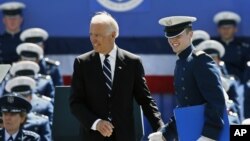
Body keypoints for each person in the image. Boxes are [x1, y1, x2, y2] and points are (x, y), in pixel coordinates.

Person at [69, 11, 164, 141]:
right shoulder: (82, 63)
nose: (93, 39)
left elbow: (145, 100)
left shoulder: (132, 62)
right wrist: (96, 123)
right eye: (91, 34)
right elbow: (76, 103)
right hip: (93, 137)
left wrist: (160, 128)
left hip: (124, 136)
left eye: (98, 35)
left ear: (113, 35)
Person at [148, 16, 226, 141]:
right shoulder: (181, 63)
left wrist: (210, 135)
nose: (173, 40)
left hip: (204, 133)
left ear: (190, 34)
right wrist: (166, 134)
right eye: (170, 36)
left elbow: (216, 101)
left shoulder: (200, 60)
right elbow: (184, 106)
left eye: (178, 36)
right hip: (189, 131)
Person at [196, 40, 240, 124]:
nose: (211, 60)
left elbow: (236, 107)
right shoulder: (195, 80)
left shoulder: (230, 82)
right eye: (208, 57)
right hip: (204, 121)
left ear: (219, 59)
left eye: (213, 57)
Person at [4, 76, 52, 141]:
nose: (8, 117)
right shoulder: (3, 120)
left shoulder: (40, 122)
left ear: (31, 97)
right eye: (5, 114)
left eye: (24, 96)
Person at [213, 11, 250, 83]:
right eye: (223, 28)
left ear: (235, 29)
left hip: (239, 81)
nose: (225, 30)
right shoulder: (213, 45)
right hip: (217, 82)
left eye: (229, 27)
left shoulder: (244, 46)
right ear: (218, 30)